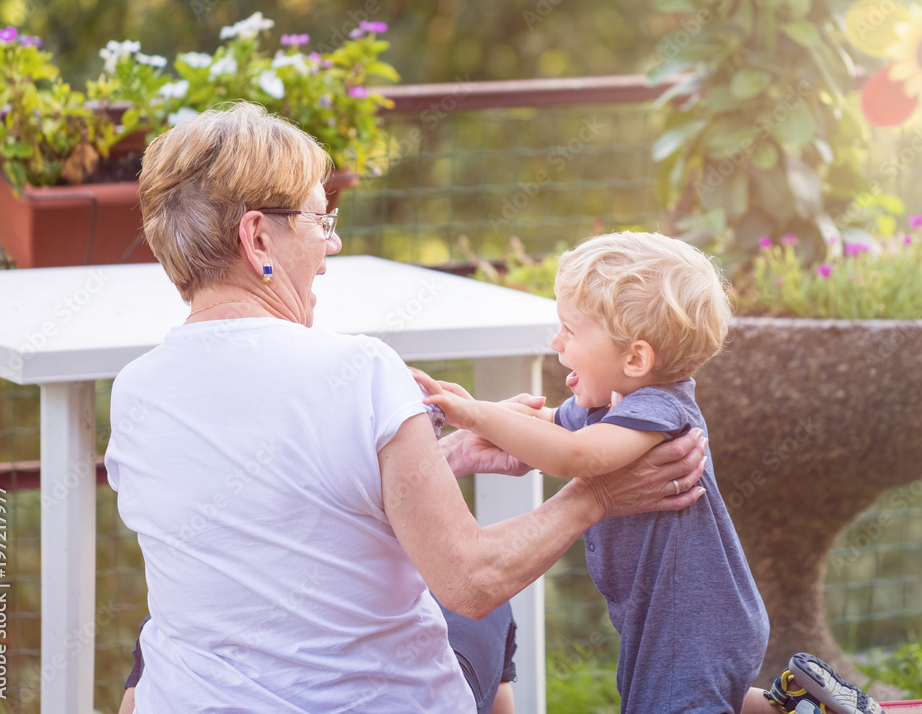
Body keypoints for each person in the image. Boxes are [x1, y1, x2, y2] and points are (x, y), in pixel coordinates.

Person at [104, 101, 709, 713]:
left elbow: (280, 511)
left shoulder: (134, 390)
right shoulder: (360, 370)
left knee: (179, 614)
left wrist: (442, 456)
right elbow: (470, 580)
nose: (332, 242)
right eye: (319, 219)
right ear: (258, 235)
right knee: (487, 611)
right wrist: (598, 495)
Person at [415, 232, 887, 714]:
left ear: (636, 359)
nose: (556, 342)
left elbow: (571, 457)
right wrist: (469, 409)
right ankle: (797, 706)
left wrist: (474, 416)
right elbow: (544, 423)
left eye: (570, 331)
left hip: (693, 624)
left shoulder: (659, 410)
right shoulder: (614, 406)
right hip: (667, 620)